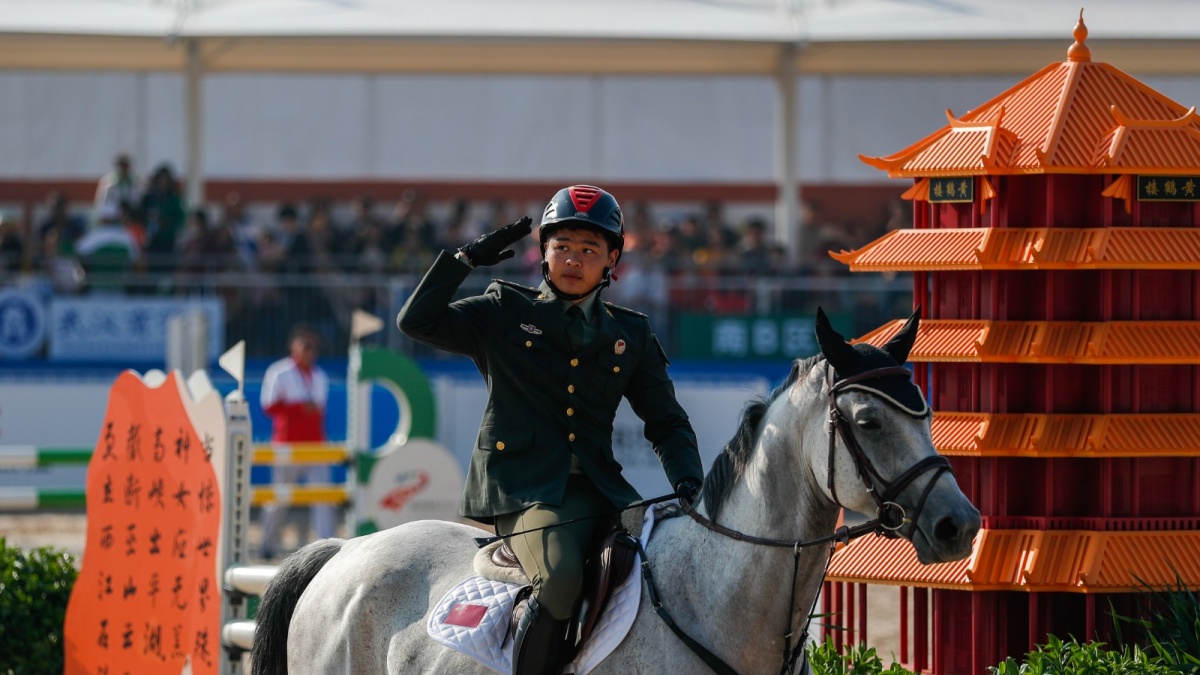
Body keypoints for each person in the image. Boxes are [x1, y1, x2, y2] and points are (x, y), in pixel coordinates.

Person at [397, 185, 703, 675]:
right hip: (523, 488)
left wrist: (690, 482)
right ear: (543, 253)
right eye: (562, 247)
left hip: (604, 490)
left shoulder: (631, 334)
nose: (573, 260)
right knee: (559, 580)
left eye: (588, 250)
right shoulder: (504, 310)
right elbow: (416, 321)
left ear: (612, 260)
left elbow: (666, 421)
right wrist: (463, 260)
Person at [258, 326, 336, 560]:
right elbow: (268, 406)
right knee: (278, 498)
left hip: (314, 445)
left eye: (311, 347)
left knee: (323, 499)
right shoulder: (279, 372)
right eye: (304, 345)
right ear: (294, 346)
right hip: (287, 445)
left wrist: (302, 408)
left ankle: (328, 548)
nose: (308, 351)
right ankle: (267, 545)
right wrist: (300, 407)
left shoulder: (320, 375)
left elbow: (318, 411)